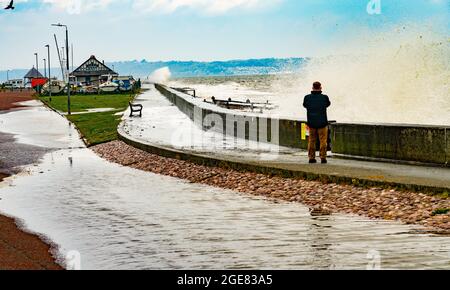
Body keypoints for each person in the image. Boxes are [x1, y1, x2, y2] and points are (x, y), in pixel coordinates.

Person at [303, 82, 331, 164]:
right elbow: (327, 104)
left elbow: (305, 105)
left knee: (311, 141)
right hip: (322, 123)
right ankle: (323, 157)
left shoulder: (307, 97)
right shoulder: (324, 97)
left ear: (312, 87)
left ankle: (311, 158)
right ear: (320, 87)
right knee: (323, 141)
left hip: (311, 123)